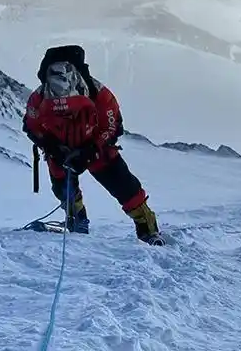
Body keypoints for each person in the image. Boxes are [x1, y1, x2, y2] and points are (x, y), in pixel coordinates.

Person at [22, 45, 165, 246]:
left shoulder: (101, 96)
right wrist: (53, 147)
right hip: (61, 151)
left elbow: (113, 126)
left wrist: (91, 151)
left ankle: (147, 227)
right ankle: (77, 219)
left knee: (125, 188)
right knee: (64, 189)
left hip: (96, 148)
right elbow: (32, 126)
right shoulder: (37, 100)